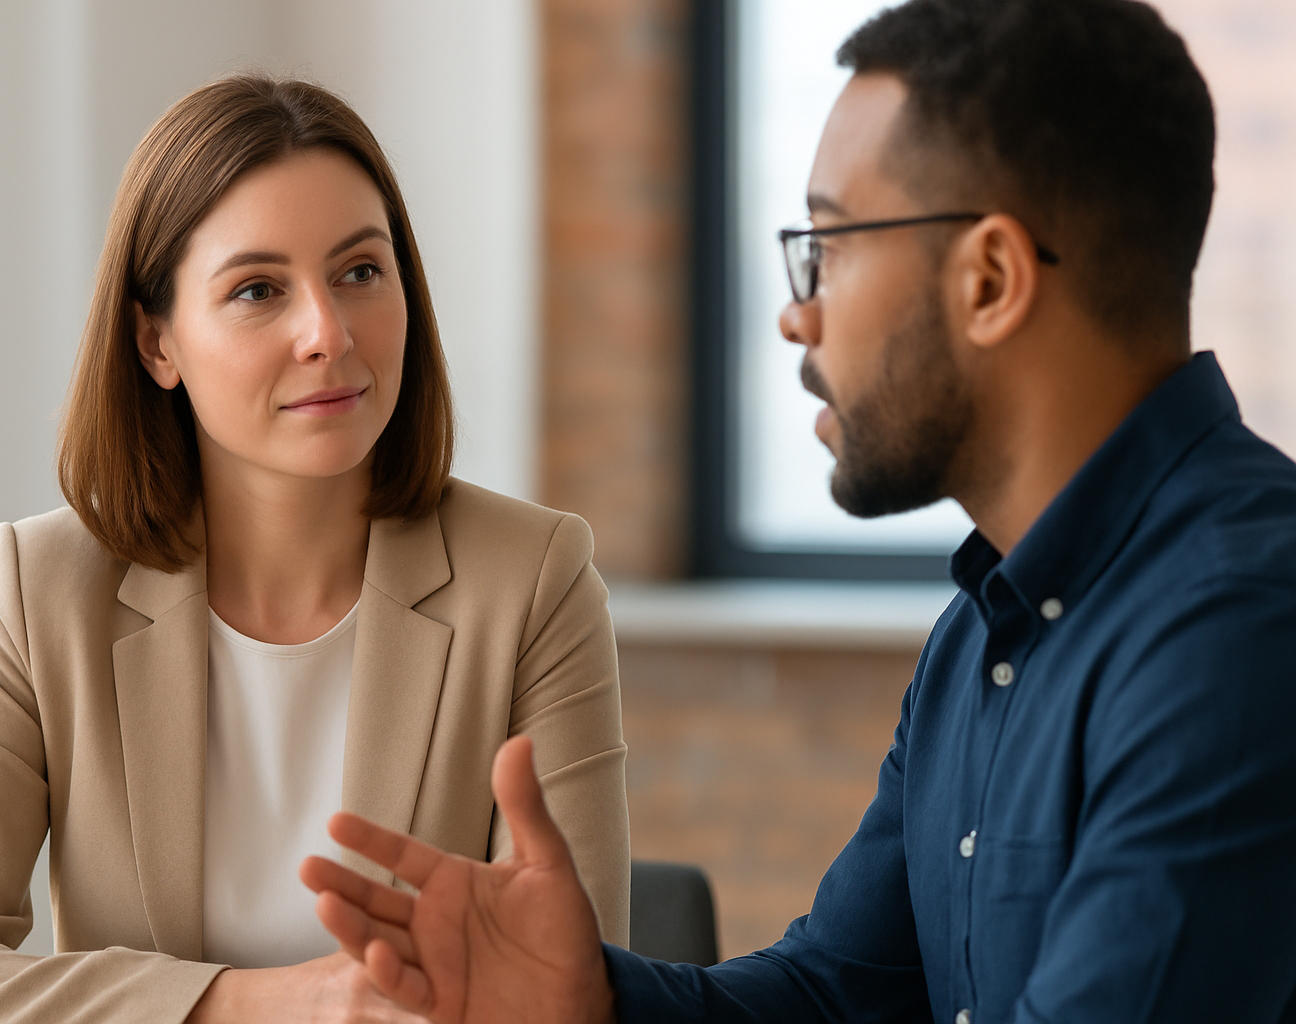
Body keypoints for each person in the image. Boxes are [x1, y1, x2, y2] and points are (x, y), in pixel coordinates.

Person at [299, 0, 1296, 1021]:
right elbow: (834, 994)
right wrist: (593, 999)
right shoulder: (983, 630)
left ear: (990, 279)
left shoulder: (1240, 627)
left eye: (828, 244)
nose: (795, 312)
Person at [0, 75, 630, 1024]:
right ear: (156, 343)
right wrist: (262, 1005)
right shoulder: (44, 591)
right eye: (259, 290)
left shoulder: (534, 580)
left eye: (360, 272)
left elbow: (576, 993)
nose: (327, 333)